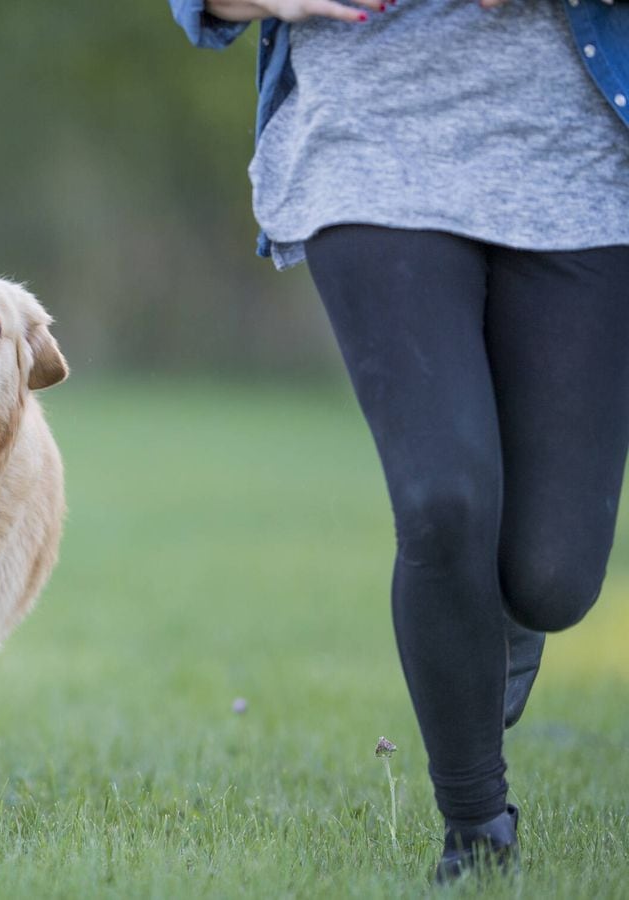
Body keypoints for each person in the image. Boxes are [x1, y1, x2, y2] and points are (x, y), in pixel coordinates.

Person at [169, 0, 629, 882]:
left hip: (574, 161)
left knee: (552, 577)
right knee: (443, 500)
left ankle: (493, 612)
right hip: (370, 143)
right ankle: (477, 831)